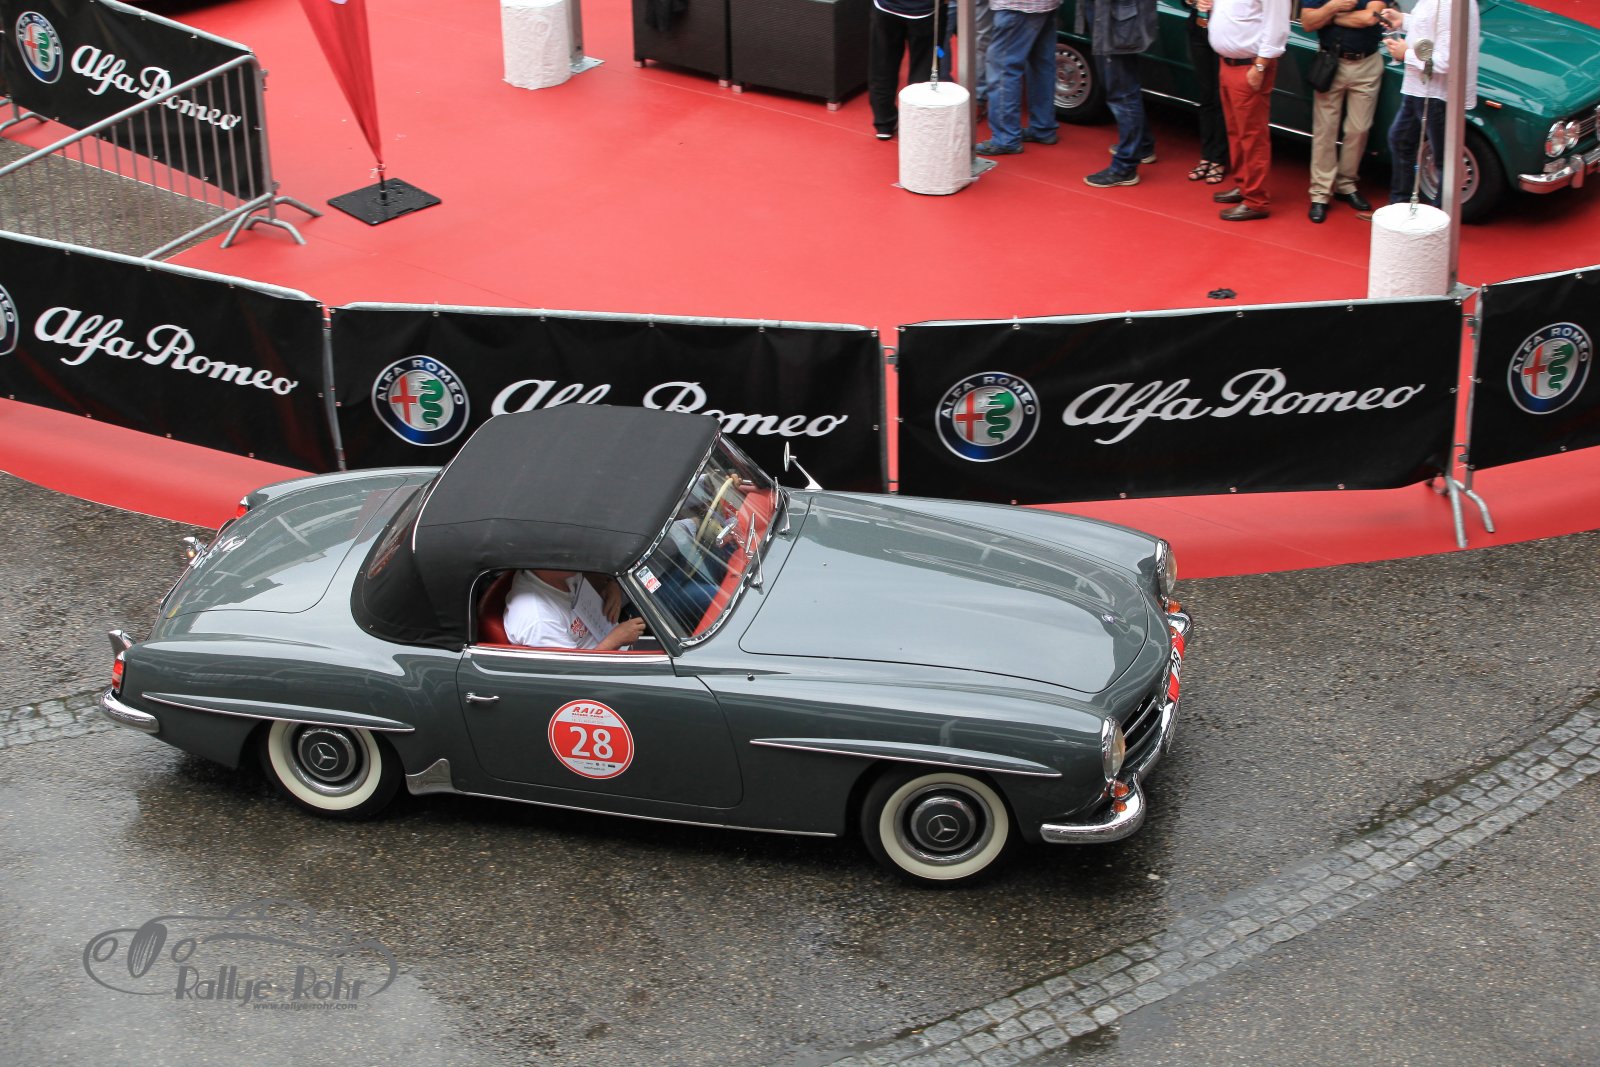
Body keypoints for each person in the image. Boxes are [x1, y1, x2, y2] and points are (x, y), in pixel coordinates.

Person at [1381, 0, 1480, 207]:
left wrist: (1405, 54)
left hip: (1436, 95)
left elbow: (1446, 61)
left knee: (1445, 160)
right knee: (1400, 139)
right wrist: (1402, 21)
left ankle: (1441, 215)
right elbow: (1429, 27)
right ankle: (1400, 206)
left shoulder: (1451, 5)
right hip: (1421, 89)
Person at [1301, 0, 1386, 222]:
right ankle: (1320, 193)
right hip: (1330, 61)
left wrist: (1330, 17)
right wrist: (1334, 6)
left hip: (1367, 63)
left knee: (1359, 129)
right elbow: (1308, 22)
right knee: (1325, 130)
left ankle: (1346, 184)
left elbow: (1369, 17)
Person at [1207, 0, 1289, 220]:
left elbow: (1277, 27)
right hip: (1229, 63)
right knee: (1236, 132)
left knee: (1252, 136)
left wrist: (1260, 67)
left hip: (1249, 66)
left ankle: (1256, 200)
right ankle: (1245, 186)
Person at [1078, 0, 1159, 187]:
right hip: (1112, 16)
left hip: (1118, 20)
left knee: (1122, 93)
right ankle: (1142, 146)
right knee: (1120, 88)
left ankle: (1125, 167)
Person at [975, 0, 1062, 156]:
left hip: (1016, 6)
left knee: (1003, 69)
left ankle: (1005, 138)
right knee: (1042, 66)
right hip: (1047, 5)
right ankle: (1043, 127)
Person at [504, 569, 645, 650]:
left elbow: (587, 578)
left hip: (606, 632)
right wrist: (616, 640)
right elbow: (573, 674)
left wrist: (610, 585)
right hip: (599, 670)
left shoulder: (560, 572)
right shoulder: (538, 619)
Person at [868, 0, 949, 141]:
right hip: (925, 10)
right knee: (923, 69)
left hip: (886, 7)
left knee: (882, 64)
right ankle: (918, 123)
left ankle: (884, 122)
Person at [1184, 0, 1229, 186]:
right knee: (1205, 96)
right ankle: (1206, 155)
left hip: (1225, 33)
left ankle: (1218, 158)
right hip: (1199, 29)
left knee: (1220, 98)